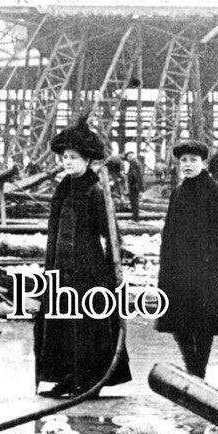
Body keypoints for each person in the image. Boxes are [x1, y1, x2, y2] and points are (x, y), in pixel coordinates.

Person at [34, 113, 131, 398]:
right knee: (61, 325)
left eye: (73, 157)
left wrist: (118, 263)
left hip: (88, 272)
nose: (67, 162)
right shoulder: (63, 188)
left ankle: (89, 381)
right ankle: (65, 378)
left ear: (87, 160)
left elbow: (111, 233)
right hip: (59, 269)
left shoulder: (95, 190)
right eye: (65, 157)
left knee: (86, 326)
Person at [156, 138, 218, 380]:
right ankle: (193, 367)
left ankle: (197, 371)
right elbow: (168, 232)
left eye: (193, 160)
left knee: (202, 324)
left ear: (204, 162)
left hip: (202, 271)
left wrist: (209, 260)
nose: (187, 165)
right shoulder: (177, 193)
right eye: (183, 161)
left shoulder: (217, 192)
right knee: (177, 322)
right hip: (175, 270)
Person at [125, 150, 145, 222]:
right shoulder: (135, 162)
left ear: (131, 156)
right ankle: (135, 218)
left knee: (134, 202)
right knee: (134, 202)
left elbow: (134, 175)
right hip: (135, 186)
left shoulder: (134, 163)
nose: (128, 158)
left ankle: (135, 218)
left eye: (128, 156)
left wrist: (133, 184)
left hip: (134, 186)